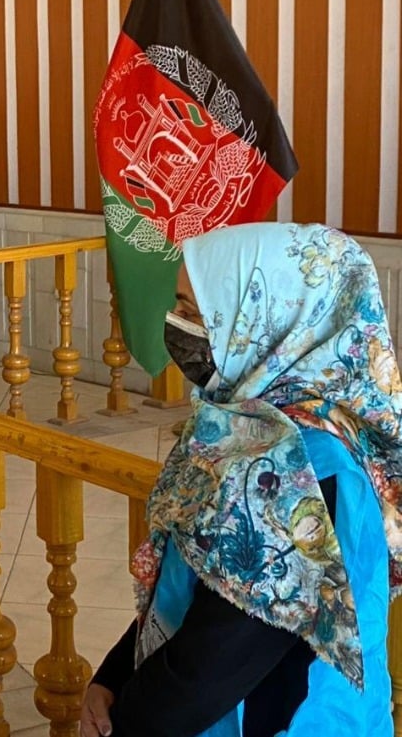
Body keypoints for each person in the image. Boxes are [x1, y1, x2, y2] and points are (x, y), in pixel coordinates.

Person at [80, 223, 399, 737]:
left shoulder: (306, 470)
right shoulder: (243, 428)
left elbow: (213, 665)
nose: (179, 327)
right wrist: (114, 675)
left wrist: (123, 720)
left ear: (266, 319)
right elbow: (196, 579)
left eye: (195, 312)